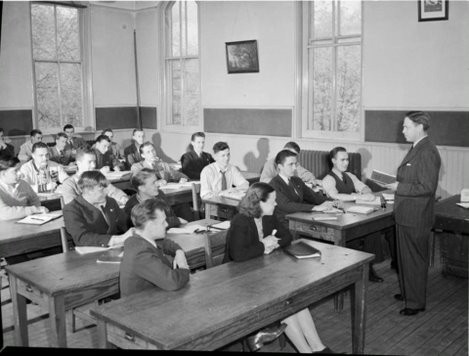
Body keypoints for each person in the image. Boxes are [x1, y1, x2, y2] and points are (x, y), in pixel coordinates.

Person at [224, 182, 333, 354]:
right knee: (286, 301)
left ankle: (318, 347)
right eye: (272, 201)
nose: (276, 204)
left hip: (261, 273)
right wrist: (263, 245)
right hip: (240, 281)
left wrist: (272, 245)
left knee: (296, 299)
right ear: (259, 202)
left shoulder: (268, 216)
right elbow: (237, 255)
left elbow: (287, 237)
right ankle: (306, 351)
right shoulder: (241, 221)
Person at [385, 111, 441, 316]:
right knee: (406, 259)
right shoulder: (417, 148)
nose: (402, 130)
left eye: (406, 127)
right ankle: (409, 293)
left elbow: (427, 187)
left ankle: (415, 302)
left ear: (419, 127)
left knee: (415, 260)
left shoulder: (427, 151)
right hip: (407, 213)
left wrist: (399, 187)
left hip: (415, 216)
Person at [322, 146, 385, 283]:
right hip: (338, 219)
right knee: (356, 236)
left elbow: (364, 187)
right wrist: (357, 197)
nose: (346, 163)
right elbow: (335, 196)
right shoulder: (328, 179)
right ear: (333, 161)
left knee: (373, 229)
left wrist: (367, 193)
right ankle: (355, 272)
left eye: (347, 160)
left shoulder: (350, 176)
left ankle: (368, 267)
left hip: (354, 215)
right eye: (342, 160)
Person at [120, 199, 190, 297]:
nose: (166, 224)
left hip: (154, 297)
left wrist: (179, 252)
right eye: (162, 222)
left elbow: (166, 243)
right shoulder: (140, 253)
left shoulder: (139, 239)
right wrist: (183, 265)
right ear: (150, 226)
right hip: (140, 308)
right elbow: (173, 282)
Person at [63, 170, 133, 247]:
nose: (106, 193)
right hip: (91, 252)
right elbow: (82, 238)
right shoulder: (71, 209)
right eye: (102, 190)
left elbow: (123, 224)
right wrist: (118, 239)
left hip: (115, 248)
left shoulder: (110, 202)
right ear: (88, 191)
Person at [269, 149, 332, 225]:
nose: (294, 168)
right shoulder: (274, 184)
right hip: (285, 223)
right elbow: (286, 205)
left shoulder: (297, 180)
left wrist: (333, 201)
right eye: (291, 164)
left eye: (295, 164)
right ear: (280, 166)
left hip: (301, 219)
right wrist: (314, 208)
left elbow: (313, 197)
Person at [56, 149, 128, 206]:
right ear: (78, 163)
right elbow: (72, 205)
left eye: (94, 162)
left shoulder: (98, 176)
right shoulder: (69, 183)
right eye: (89, 162)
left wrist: (122, 197)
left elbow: (113, 191)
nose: (93, 165)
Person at [124, 168, 189, 228]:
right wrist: (176, 221)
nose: (158, 184)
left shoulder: (160, 195)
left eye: (157, 181)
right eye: (153, 183)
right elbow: (148, 227)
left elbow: (171, 215)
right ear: (141, 188)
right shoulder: (133, 205)